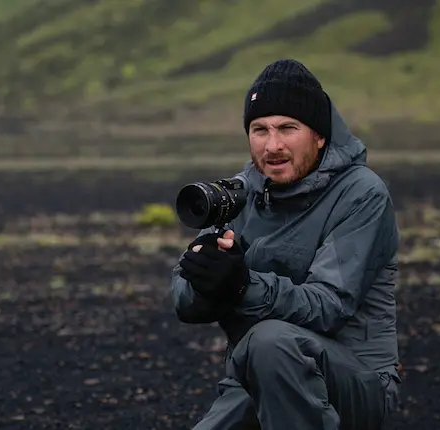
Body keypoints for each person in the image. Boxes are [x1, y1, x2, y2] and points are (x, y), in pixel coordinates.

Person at [169, 58, 402, 430]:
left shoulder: (361, 194)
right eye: (259, 129)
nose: (272, 145)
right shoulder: (243, 191)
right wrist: (207, 280)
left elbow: (329, 306)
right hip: (254, 379)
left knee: (269, 342)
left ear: (320, 134)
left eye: (287, 128)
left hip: (356, 381)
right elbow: (182, 301)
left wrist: (242, 286)